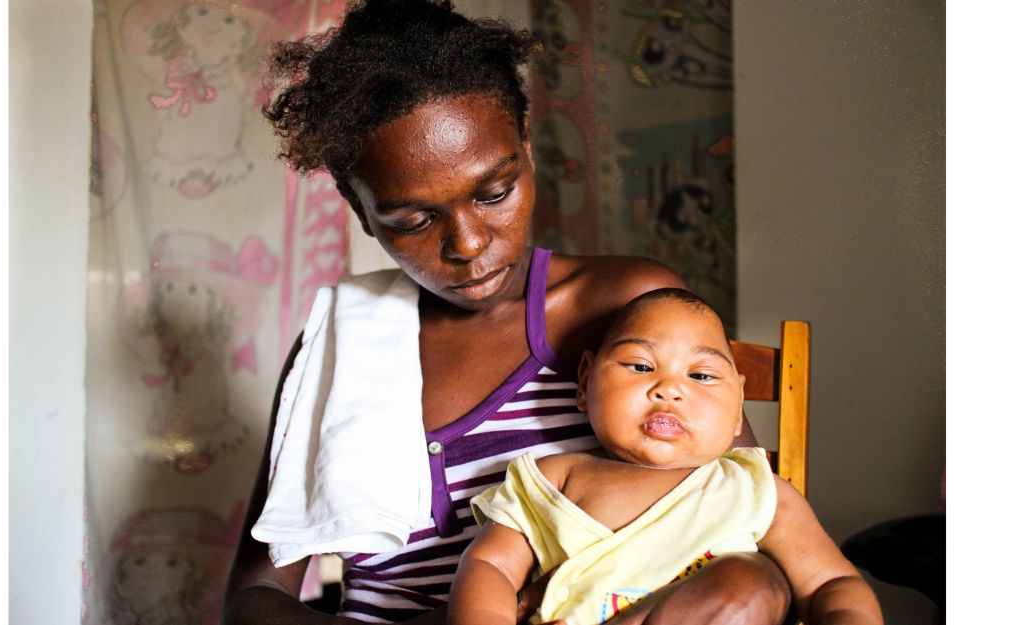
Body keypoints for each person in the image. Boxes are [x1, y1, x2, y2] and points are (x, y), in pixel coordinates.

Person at [223, 1, 791, 623]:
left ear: (526, 145)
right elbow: (257, 597)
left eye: (494, 192)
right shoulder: (340, 348)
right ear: (361, 211)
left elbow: (752, 527)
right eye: (413, 220)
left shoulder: (625, 308)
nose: (467, 244)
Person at [449, 289, 882, 625]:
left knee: (747, 582)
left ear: (738, 409)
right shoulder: (555, 478)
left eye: (702, 376)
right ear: (585, 382)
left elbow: (832, 582)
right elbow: (489, 566)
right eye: (640, 366)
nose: (670, 389)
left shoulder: (757, 490)